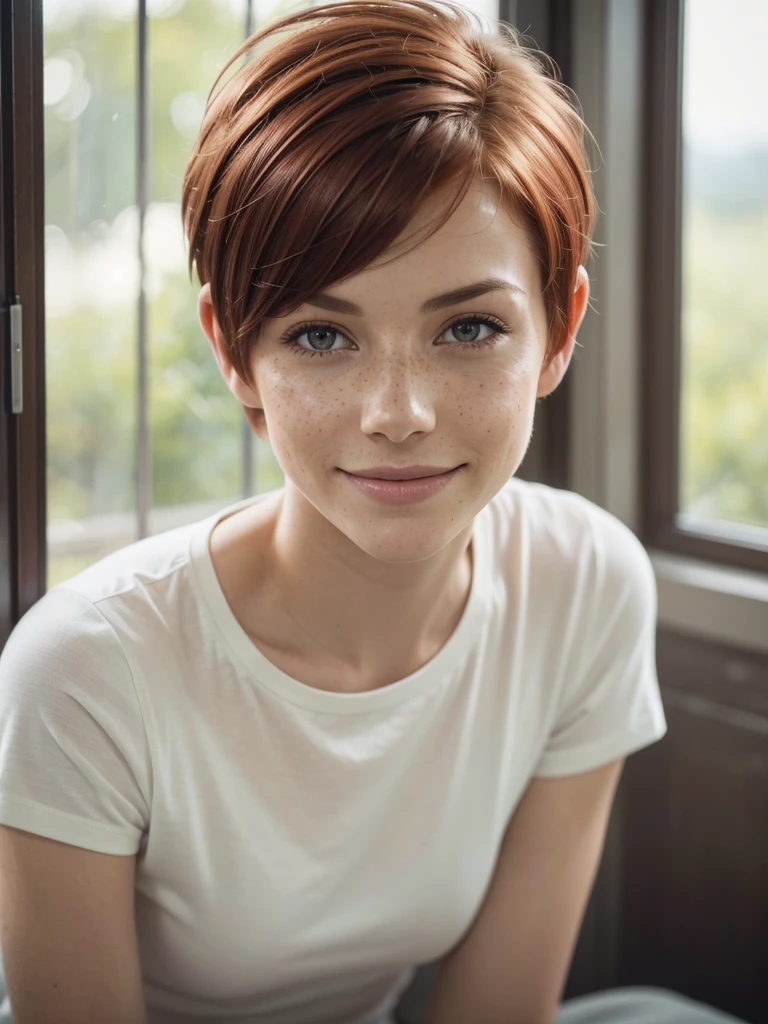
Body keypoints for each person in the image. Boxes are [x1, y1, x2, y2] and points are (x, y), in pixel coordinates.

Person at [0, 2, 748, 1022]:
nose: (400, 414)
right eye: (321, 336)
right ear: (233, 351)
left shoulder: (583, 583)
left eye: (471, 326)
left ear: (561, 328)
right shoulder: (88, 667)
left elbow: (496, 1009)